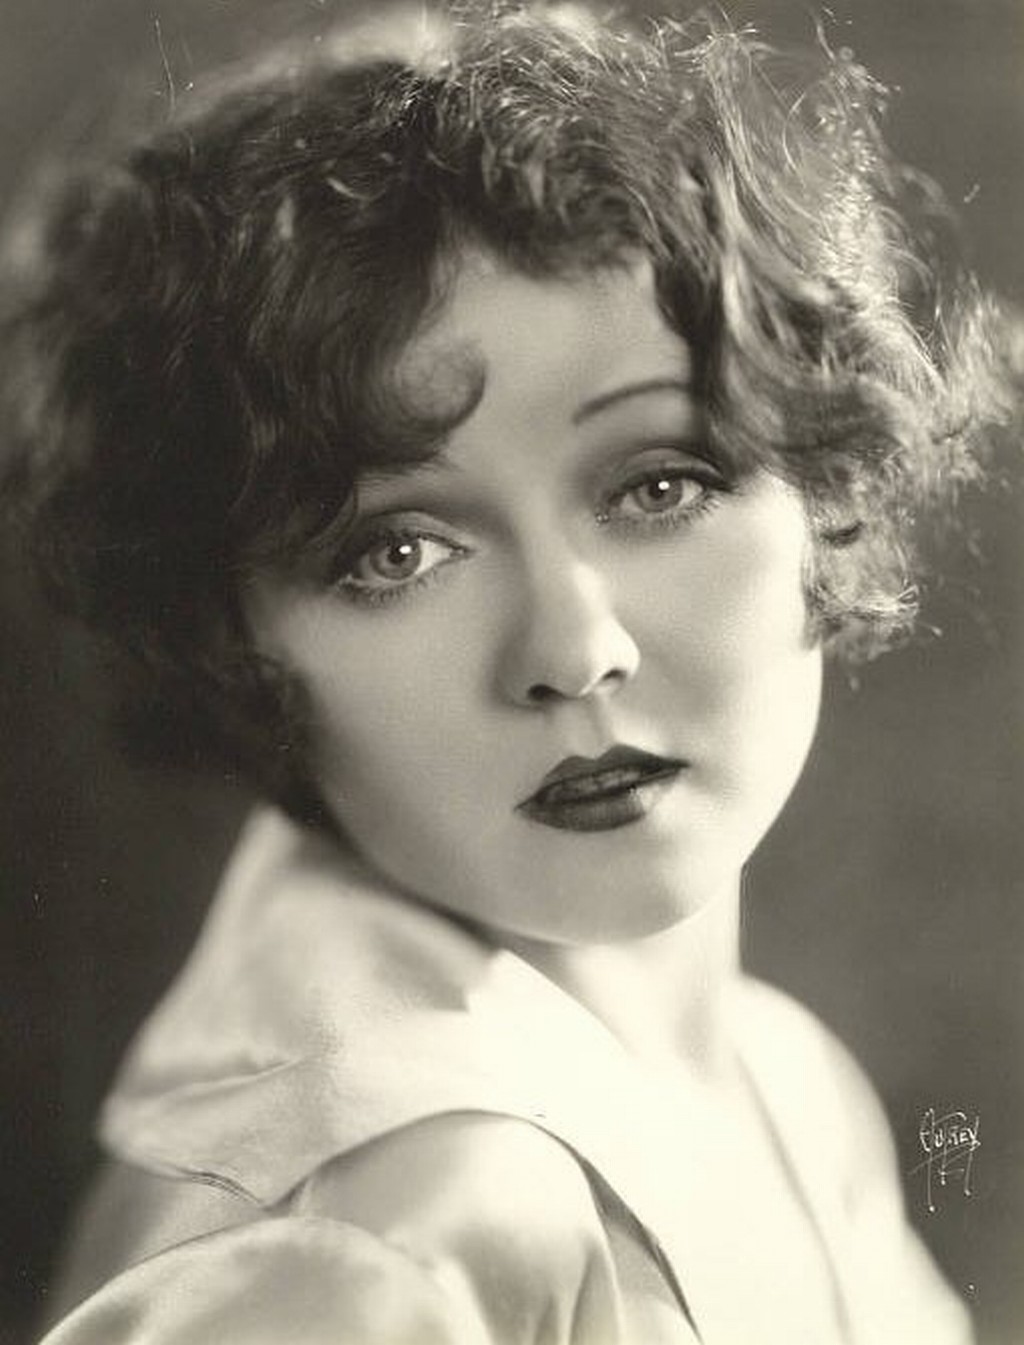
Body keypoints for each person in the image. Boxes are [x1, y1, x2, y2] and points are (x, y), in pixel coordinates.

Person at [2, 2, 1017, 1341]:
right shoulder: (383, 1248)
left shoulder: (783, 1078)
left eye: (661, 483)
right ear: (234, 640)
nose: (574, 651)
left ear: (825, 489)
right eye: (398, 552)